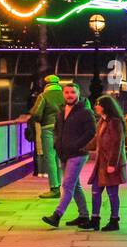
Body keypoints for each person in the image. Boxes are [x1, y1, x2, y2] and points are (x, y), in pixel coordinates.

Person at [41, 83, 96, 228]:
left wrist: (76, 145)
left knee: (67, 185)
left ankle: (57, 215)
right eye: (67, 92)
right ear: (63, 94)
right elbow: (56, 130)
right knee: (75, 185)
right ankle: (84, 216)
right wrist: (56, 144)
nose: (70, 95)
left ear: (78, 94)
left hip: (78, 154)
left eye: (73, 92)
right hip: (64, 153)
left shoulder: (85, 111)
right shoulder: (60, 111)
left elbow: (91, 132)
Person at [85, 95, 127, 232]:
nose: (95, 106)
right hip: (100, 164)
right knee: (95, 191)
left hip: (110, 164)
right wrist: (81, 148)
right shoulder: (102, 121)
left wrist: (112, 164)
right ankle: (95, 219)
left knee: (112, 193)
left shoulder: (115, 122)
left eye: (98, 104)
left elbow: (117, 144)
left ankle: (114, 220)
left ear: (106, 107)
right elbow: (96, 139)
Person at [27, 74, 64, 198]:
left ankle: (54, 188)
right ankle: (59, 185)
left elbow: (36, 114)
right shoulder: (65, 95)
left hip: (47, 128)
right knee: (59, 158)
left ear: (46, 84)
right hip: (62, 129)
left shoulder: (43, 96)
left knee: (50, 158)